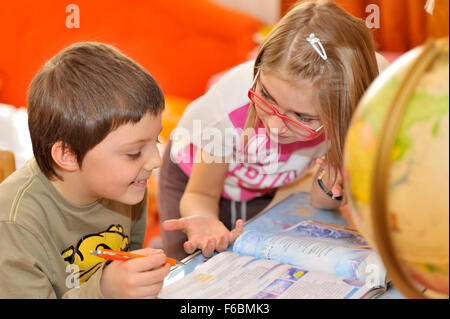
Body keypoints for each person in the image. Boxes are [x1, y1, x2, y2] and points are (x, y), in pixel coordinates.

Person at [158, 0, 382, 260]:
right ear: (258, 69)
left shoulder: (354, 102)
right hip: (192, 178)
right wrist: (206, 224)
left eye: (302, 116)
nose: (275, 128)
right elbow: (200, 194)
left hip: (261, 181)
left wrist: (332, 175)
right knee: (186, 261)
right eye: (267, 96)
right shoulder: (224, 115)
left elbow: (323, 202)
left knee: (250, 258)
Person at [0, 42, 170, 298]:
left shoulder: (129, 185)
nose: (155, 161)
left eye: (155, 141)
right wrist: (104, 290)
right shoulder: (14, 226)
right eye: (134, 153)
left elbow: (129, 262)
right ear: (67, 155)